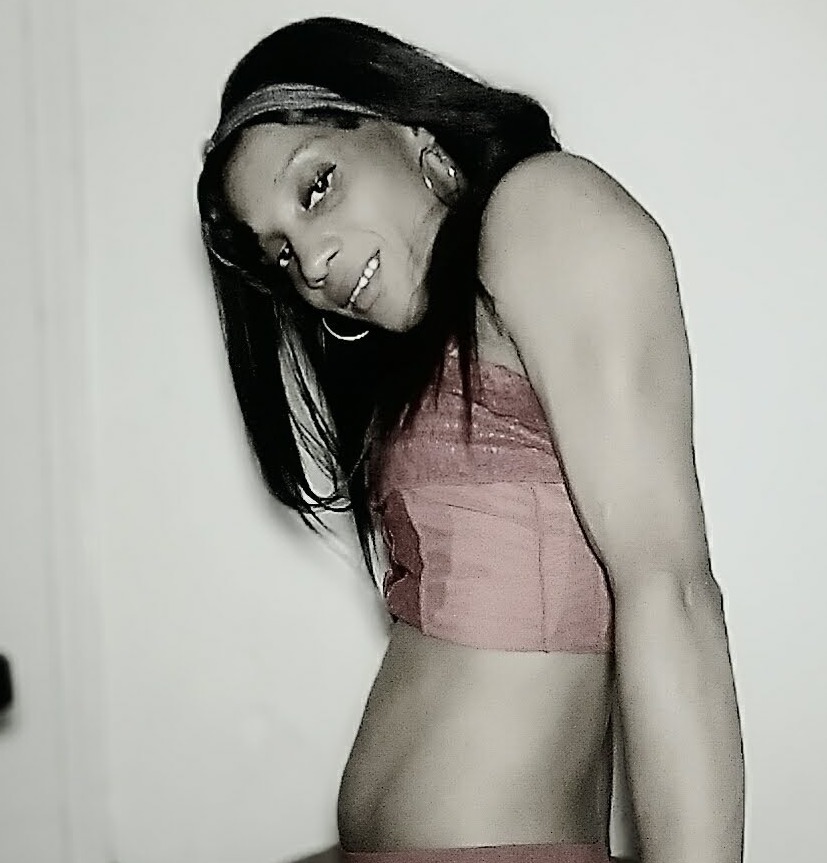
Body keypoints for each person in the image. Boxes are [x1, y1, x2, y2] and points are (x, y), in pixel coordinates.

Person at [196, 16, 745, 863]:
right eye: (281, 255)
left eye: (317, 187)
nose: (311, 265)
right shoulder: (438, 347)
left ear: (411, 131)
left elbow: (670, 591)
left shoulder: (544, 209)